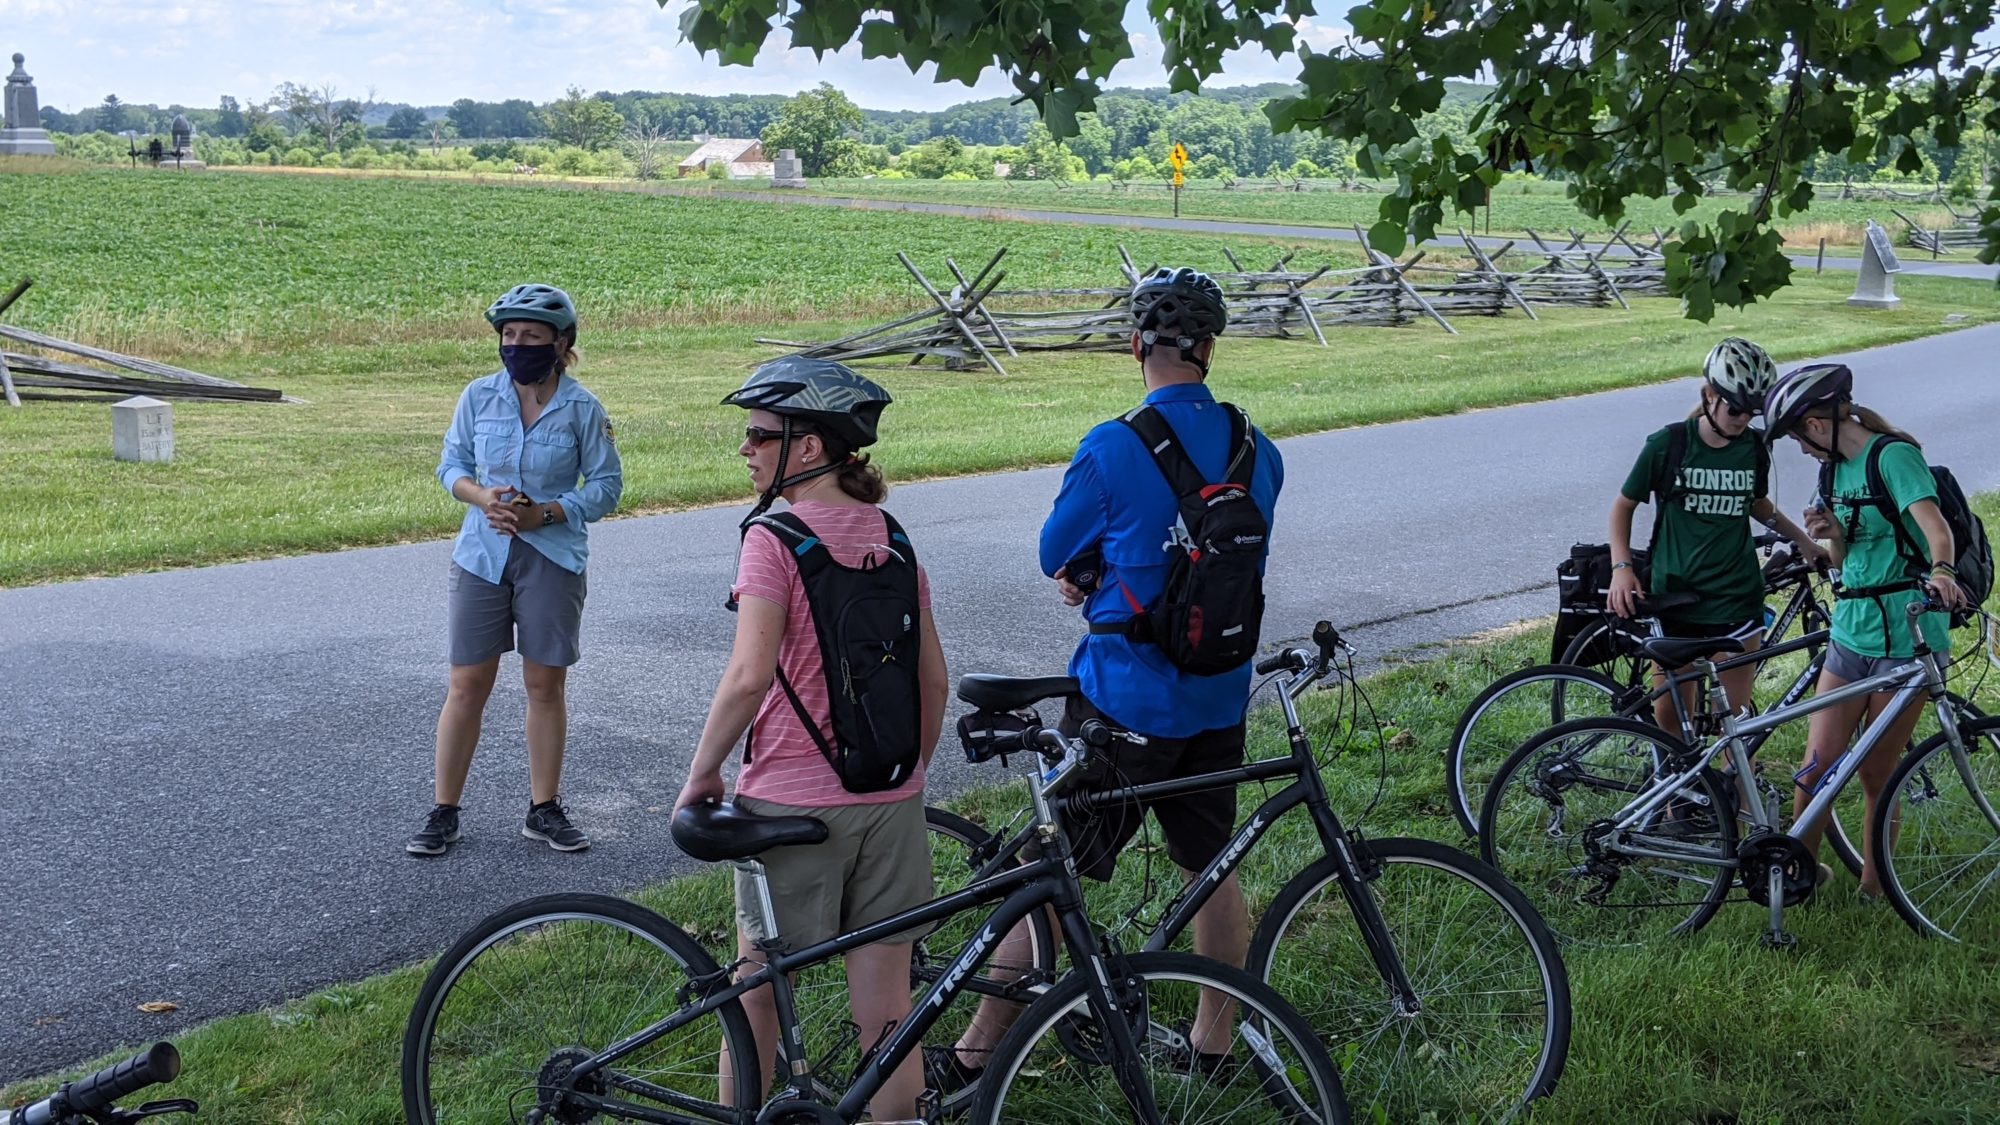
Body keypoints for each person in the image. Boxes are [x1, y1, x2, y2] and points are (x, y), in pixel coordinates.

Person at [929, 266, 1283, 1093]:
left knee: (1054, 880)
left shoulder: (1113, 444)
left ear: (1136, 346)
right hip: (1218, 695)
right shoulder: (1259, 449)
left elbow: (1057, 549)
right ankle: (1213, 1041)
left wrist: (1091, 574)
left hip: (1124, 702)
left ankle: (976, 1055)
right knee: (1210, 864)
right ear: (1208, 348)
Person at [675, 357, 949, 1122]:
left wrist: (701, 774)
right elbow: (934, 681)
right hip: (891, 802)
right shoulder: (892, 534)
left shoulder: (773, 537)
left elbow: (747, 675)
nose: (746, 449)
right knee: (888, 1013)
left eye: (760, 433)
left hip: (790, 803)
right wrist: (906, 777)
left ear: (806, 447)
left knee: (757, 994)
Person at [407, 284, 624, 856]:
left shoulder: (582, 408)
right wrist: (482, 498)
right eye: (509, 336)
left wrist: (547, 514)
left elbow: (606, 487)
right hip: (480, 556)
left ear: (562, 343)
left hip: (552, 558)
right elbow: (450, 464)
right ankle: (443, 810)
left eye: (531, 337)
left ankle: (544, 808)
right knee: (466, 684)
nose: (517, 346)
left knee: (544, 684)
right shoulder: (478, 397)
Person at [1764, 362, 1966, 897]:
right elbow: (1840, 558)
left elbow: (1936, 532)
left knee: (1878, 773)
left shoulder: (1893, 457)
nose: (1803, 453)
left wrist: (1942, 572)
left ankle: (1876, 888)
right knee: (1816, 768)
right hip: (1851, 634)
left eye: (1798, 439)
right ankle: (1797, 878)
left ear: (1814, 424)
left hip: (1906, 638)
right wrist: (1831, 534)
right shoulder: (1833, 473)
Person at [1607, 337, 1827, 735]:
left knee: (1737, 723)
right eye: (1735, 408)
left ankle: (1736, 796)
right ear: (1709, 395)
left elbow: (1758, 505)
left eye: (1752, 412)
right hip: (1678, 598)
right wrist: (1621, 567)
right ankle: (1677, 797)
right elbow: (1624, 505)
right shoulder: (1669, 444)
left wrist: (1804, 541)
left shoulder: (1755, 448)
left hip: (1737, 599)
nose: (1743, 419)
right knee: (1673, 721)